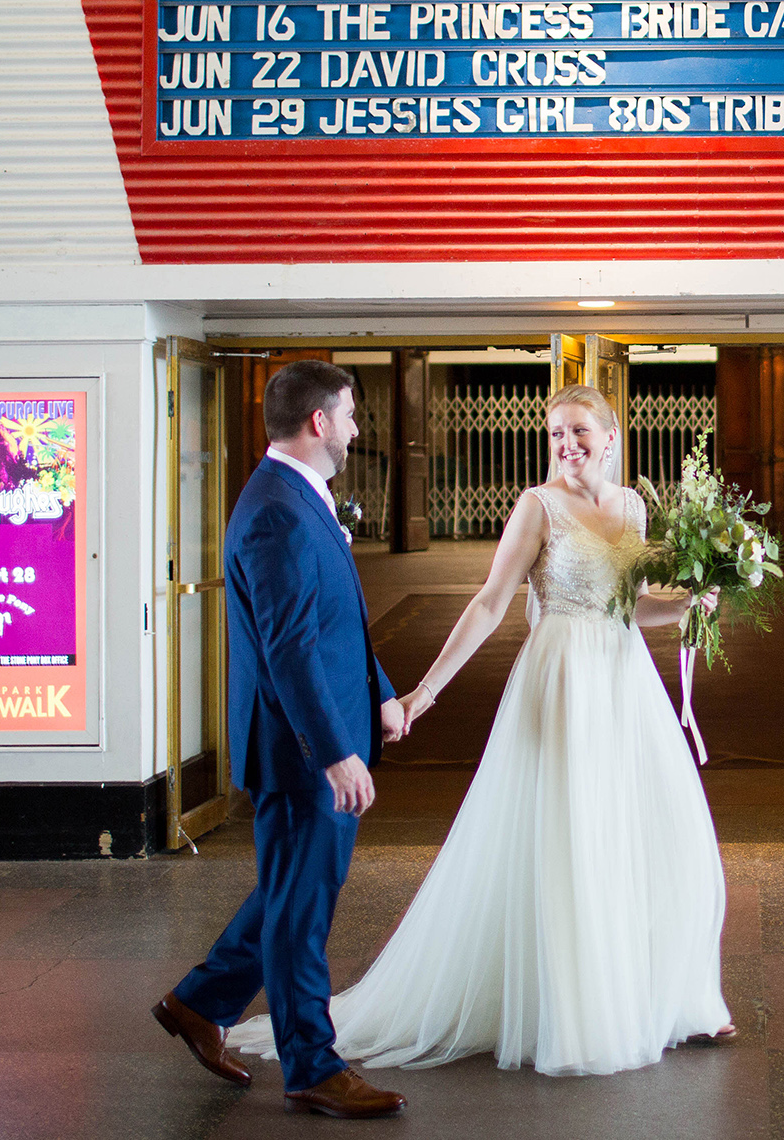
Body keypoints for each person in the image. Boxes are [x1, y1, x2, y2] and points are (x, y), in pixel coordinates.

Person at [229, 383, 731, 1077]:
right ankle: (579, 1011)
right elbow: (491, 603)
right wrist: (422, 693)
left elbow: (628, 607)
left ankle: (664, 996)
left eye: (580, 430)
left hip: (624, 684)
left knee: (655, 832)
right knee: (575, 838)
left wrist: (687, 603)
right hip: (560, 685)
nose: (567, 443)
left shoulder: (632, 507)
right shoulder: (537, 506)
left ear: (611, 438)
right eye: (556, 432)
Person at [152, 360, 410, 1120]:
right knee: (303, 907)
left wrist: (383, 692)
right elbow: (289, 646)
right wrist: (335, 752)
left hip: (319, 736)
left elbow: (334, 620)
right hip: (302, 752)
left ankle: (199, 1002)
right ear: (320, 423)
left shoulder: (298, 497)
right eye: (352, 416)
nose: (359, 430)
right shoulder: (275, 511)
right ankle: (312, 1066)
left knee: (290, 891)